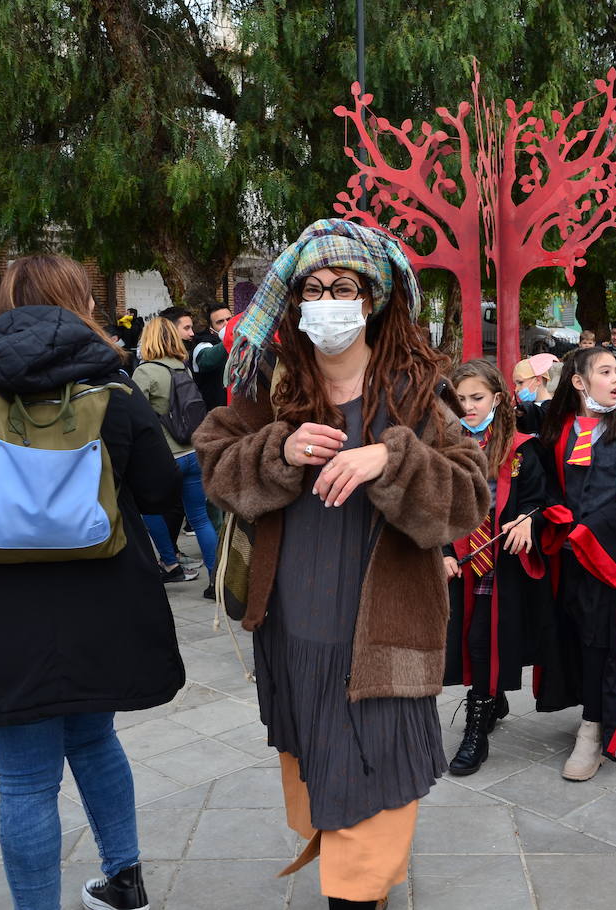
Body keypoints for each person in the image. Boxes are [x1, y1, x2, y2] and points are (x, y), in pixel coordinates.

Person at [194, 218, 488, 910]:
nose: (327, 300)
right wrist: (279, 450)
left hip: (385, 641)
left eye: (344, 287)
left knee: (370, 798)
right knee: (327, 792)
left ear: (373, 300)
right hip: (295, 637)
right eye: (313, 289)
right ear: (295, 305)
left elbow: (469, 497)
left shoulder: (419, 393)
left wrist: (392, 456)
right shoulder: (271, 388)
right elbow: (213, 462)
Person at [0, 254, 185, 910]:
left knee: (25, 780)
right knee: (94, 738)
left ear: (3, 302)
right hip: (104, 598)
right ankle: (124, 879)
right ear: (80, 300)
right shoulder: (113, 385)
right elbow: (163, 491)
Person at [531, 345, 616, 781]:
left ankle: (593, 728)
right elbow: (545, 485)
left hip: (605, 558)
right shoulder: (557, 428)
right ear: (578, 381)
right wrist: (557, 516)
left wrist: (595, 529)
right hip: (562, 555)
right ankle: (580, 708)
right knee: (566, 635)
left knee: (600, 644)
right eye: (605, 371)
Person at [442, 359, 548, 775]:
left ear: (498, 399)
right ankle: (493, 699)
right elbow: (432, 506)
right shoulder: (443, 445)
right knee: (469, 641)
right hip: (460, 562)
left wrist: (528, 519)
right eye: (461, 398)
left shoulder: (521, 446)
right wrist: (442, 551)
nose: (468, 406)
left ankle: (476, 732)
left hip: (501, 564)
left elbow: (544, 499)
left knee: (485, 642)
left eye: (477, 398)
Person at [132, 316, 217, 587]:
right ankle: (216, 578)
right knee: (200, 518)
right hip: (193, 452)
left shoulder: (145, 372)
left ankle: (169, 562)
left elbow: (136, 416)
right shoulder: (182, 368)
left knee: (150, 511)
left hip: (167, 457)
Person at [190, 303, 232, 410]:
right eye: (220, 322)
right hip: (214, 411)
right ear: (211, 329)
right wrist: (231, 340)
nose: (226, 324)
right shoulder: (203, 344)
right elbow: (207, 359)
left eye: (229, 319)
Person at [513, 353, 557, 434]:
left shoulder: (555, 410)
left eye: (520, 382)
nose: (516, 389)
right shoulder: (521, 410)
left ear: (538, 380)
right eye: (515, 384)